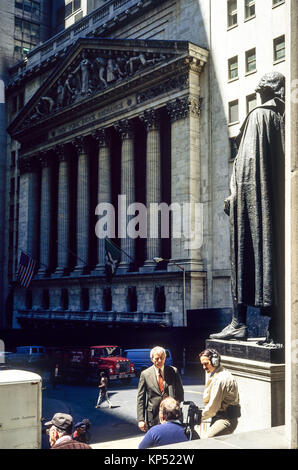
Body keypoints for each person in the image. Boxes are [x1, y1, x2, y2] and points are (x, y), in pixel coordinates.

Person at [210, 72, 285, 345]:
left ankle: (238, 322)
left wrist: (235, 197)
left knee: (243, 258)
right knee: (269, 261)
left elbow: (247, 165)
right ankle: (275, 325)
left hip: (251, 203)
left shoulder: (259, 116)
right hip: (268, 205)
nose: (255, 89)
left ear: (267, 89)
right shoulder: (280, 117)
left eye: (260, 86)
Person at [137, 346, 184, 432]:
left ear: (165, 358)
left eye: (162, 358)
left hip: (172, 415)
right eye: (157, 358)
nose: (159, 361)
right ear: (152, 359)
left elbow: (180, 393)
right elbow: (141, 399)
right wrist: (141, 419)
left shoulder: (173, 371)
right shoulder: (145, 374)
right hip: (153, 416)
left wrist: (178, 410)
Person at [199, 349, 240, 438]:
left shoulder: (220, 379)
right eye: (202, 364)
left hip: (225, 419)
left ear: (215, 361)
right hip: (220, 417)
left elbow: (213, 407)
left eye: (206, 364)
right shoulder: (219, 374)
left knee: (205, 440)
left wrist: (198, 417)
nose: (204, 367)